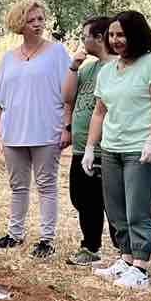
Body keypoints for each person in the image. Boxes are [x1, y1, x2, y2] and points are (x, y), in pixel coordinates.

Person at [83, 10, 151, 289]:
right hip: (112, 148)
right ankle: (125, 259)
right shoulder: (107, 70)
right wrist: (90, 148)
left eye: (121, 34)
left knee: (138, 208)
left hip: (141, 148)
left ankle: (141, 268)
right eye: (111, 35)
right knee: (116, 208)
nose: (116, 39)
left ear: (136, 34)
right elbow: (99, 112)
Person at [0, 0, 72, 258]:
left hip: (47, 128)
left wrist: (67, 127)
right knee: (18, 186)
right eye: (31, 20)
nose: (37, 24)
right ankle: (14, 235)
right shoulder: (8, 58)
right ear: (19, 24)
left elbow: (68, 93)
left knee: (46, 185)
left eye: (40, 19)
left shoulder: (57, 53)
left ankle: (46, 239)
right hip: (14, 131)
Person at [60, 15, 115, 266]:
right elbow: (68, 97)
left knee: (108, 202)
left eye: (85, 36)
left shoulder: (116, 67)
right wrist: (73, 66)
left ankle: (124, 252)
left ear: (99, 38)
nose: (83, 41)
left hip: (105, 149)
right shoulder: (89, 68)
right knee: (81, 198)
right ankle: (90, 247)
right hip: (82, 147)